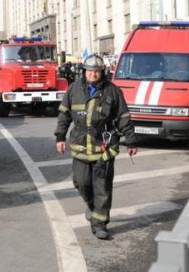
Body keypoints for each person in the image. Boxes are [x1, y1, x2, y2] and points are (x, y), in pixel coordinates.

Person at [54, 54, 138, 240]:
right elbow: (64, 115)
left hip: (104, 147)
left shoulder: (113, 91)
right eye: (90, 71)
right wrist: (60, 137)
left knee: (102, 187)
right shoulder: (74, 89)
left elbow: (123, 117)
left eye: (97, 71)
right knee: (81, 182)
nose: (93, 74)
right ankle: (92, 207)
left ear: (102, 72)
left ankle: (100, 223)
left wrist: (131, 140)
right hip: (81, 146)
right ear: (84, 71)